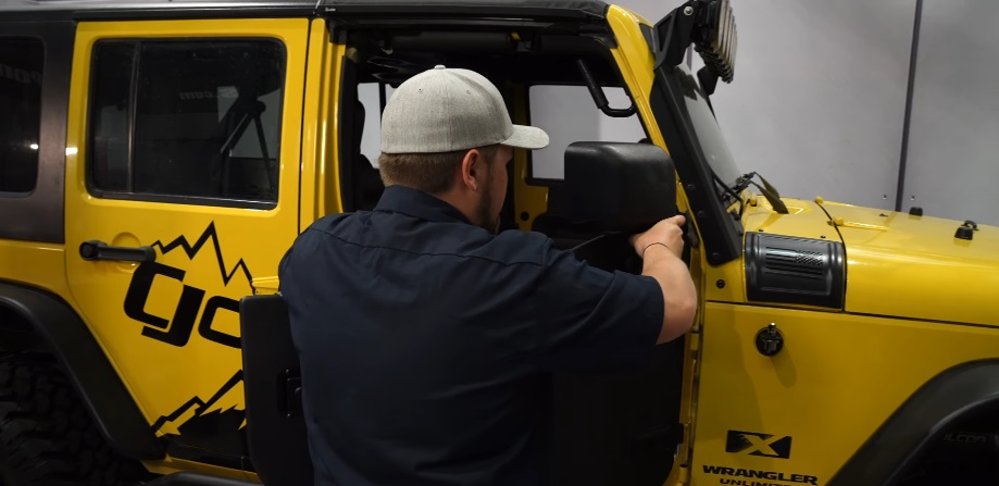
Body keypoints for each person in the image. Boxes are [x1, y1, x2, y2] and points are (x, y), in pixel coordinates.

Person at [279, 65, 697, 486]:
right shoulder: (513, 274)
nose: (505, 182)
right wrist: (658, 245)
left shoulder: (313, 250)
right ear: (472, 169)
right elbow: (675, 307)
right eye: (505, 165)